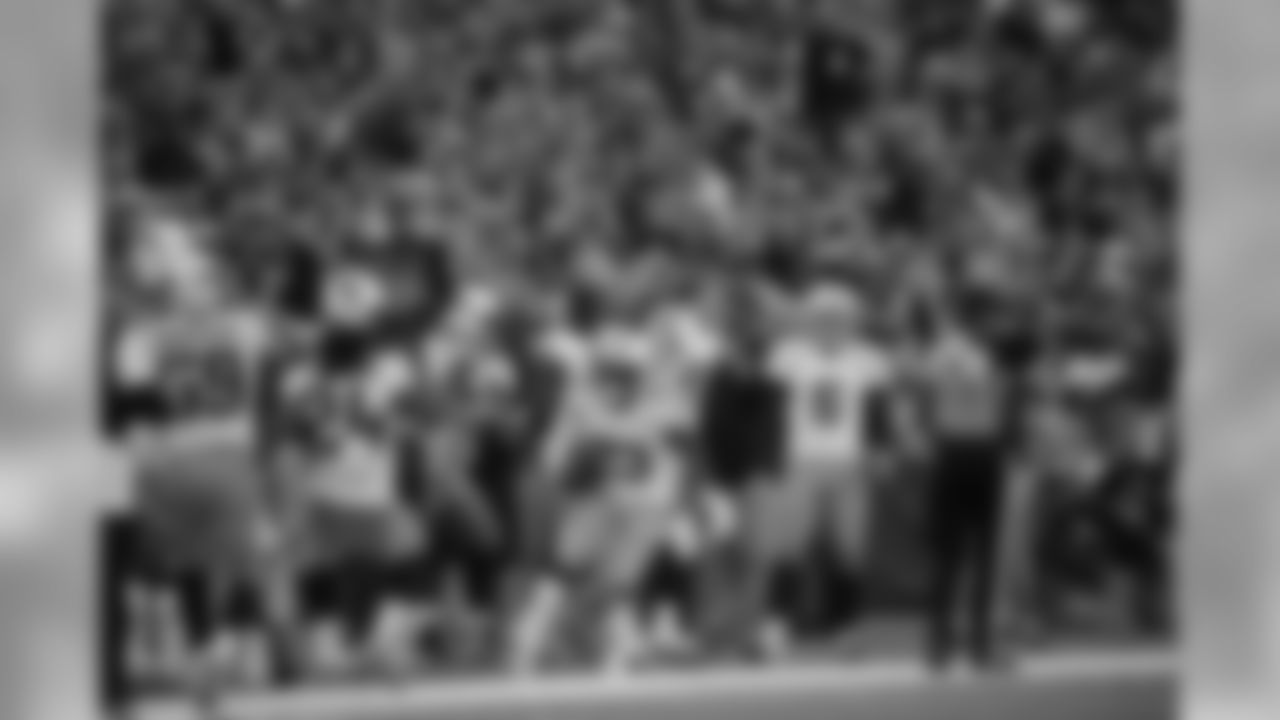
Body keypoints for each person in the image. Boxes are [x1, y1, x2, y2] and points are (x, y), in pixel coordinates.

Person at [761, 281, 894, 655]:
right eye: (824, 317)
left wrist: (881, 450)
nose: (831, 324)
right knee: (789, 544)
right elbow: (771, 409)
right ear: (809, 319)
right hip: (798, 458)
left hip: (849, 460)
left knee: (850, 548)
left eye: (839, 318)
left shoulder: (869, 359)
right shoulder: (787, 356)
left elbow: (877, 411)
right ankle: (776, 623)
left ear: (853, 321)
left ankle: (845, 625)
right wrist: (770, 454)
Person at [915, 298, 1011, 672]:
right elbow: (925, 394)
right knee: (965, 551)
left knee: (966, 552)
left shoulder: (956, 350)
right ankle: (965, 644)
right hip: (965, 448)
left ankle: (952, 644)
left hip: (967, 448)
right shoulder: (957, 350)